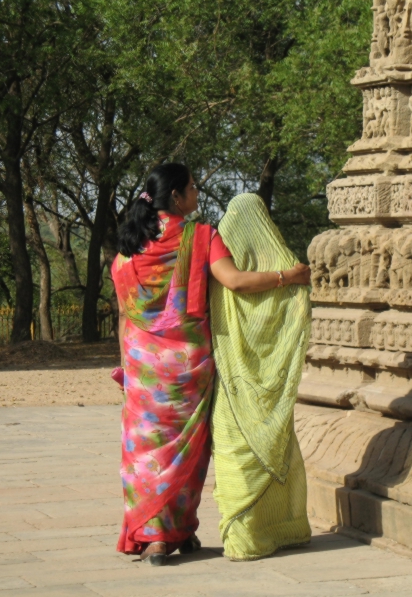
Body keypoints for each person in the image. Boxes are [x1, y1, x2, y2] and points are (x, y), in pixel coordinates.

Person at [112, 165, 309, 566]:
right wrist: (288, 276)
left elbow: (122, 314)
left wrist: (126, 368)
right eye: (192, 187)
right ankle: (173, 532)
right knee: (187, 450)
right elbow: (234, 281)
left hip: (142, 365)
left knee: (145, 451)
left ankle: (156, 535)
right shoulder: (200, 237)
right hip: (187, 364)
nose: (197, 193)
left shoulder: (129, 248)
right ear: (177, 199)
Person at [209, 192, 313, 561]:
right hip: (266, 388)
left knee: (235, 453)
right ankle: (279, 529)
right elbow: (295, 309)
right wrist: (288, 278)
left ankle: (247, 538)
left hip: (233, 380)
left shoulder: (216, 252)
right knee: (267, 447)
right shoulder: (284, 268)